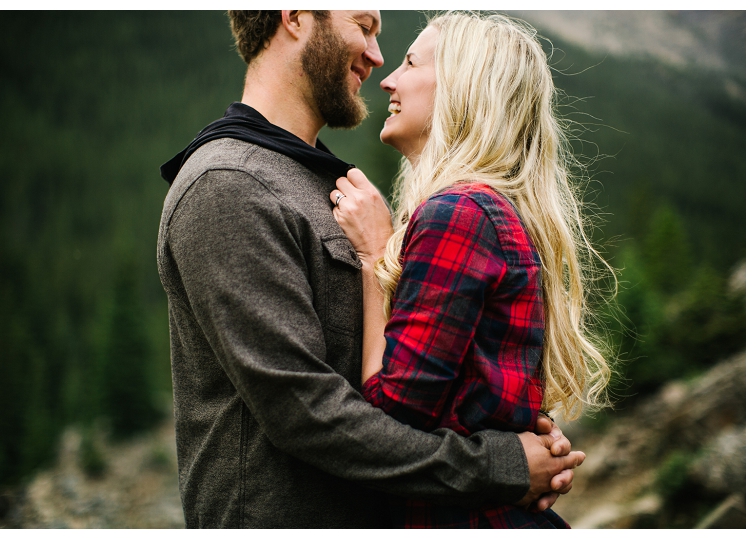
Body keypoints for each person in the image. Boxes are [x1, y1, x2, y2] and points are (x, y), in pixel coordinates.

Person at [157, 10, 584, 528]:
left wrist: (512, 422)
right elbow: (305, 411)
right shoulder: (229, 184)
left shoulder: (330, 187)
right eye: (364, 26)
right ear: (295, 17)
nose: (378, 59)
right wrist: (501, 464)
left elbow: (430, 368)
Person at [330, 12, 613, 528]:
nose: (388, 79)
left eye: (410, 62)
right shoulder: (490, 210)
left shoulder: (458, 216)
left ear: (462, 87)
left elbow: (388, 421)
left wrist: (373, 257)